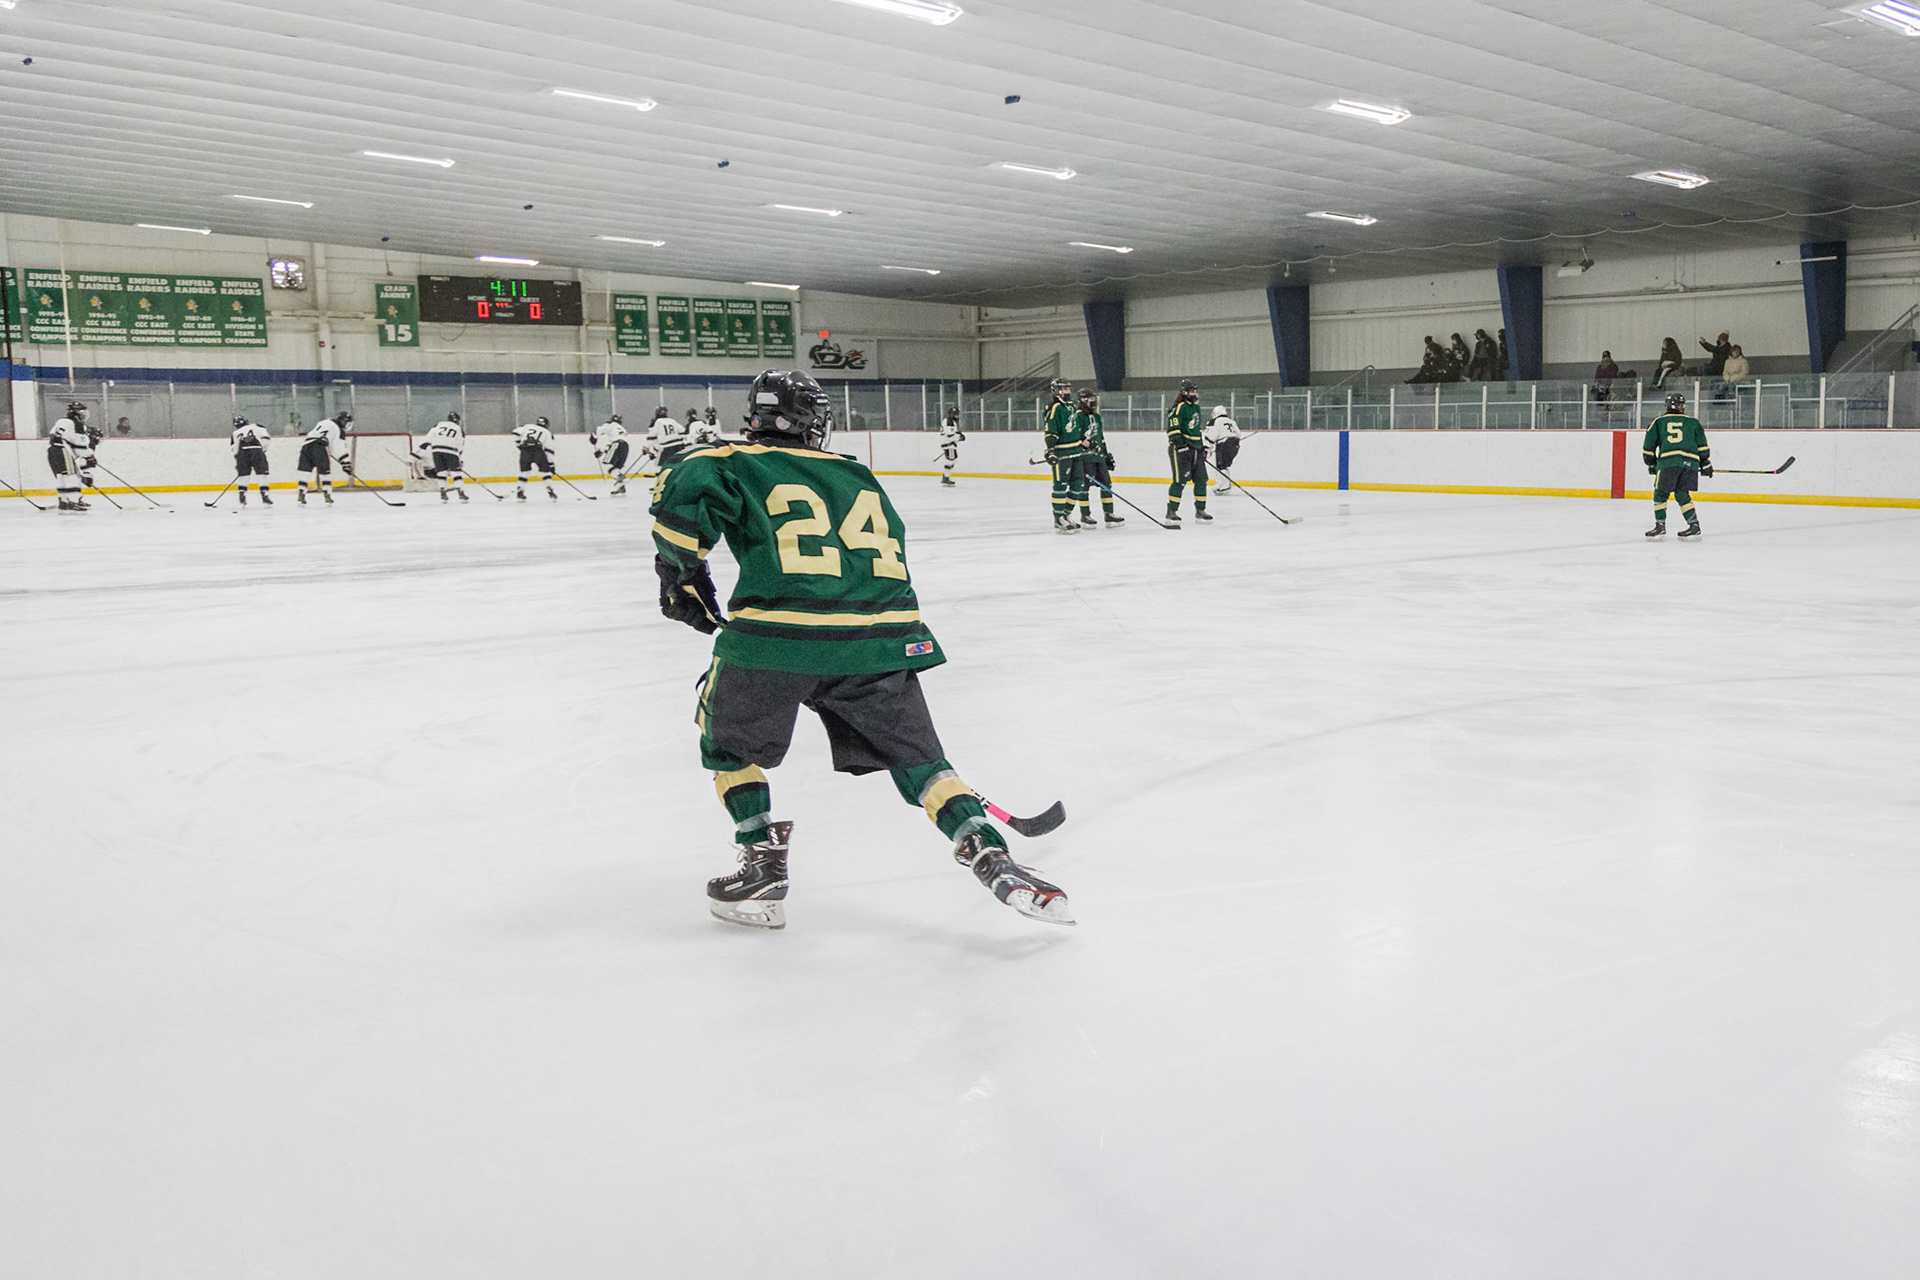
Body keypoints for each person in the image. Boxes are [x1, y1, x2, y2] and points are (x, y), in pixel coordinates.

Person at [649, 368, 1073, 930]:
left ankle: (760, 858)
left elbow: (681, 503)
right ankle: (986, 848)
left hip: (778, 638)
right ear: (812, 422)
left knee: (725, 741)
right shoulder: (856, 473)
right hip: (880, 636)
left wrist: (679, 577)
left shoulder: (727, 460)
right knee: (920, 760)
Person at [1642, 392, 1711, 539]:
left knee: (1660, 493)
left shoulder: (1658, 422)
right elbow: (1702, 446)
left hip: (1668, 462)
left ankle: (1660, 526)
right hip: (1690, 463)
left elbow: (1648, 447)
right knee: (1682, 493)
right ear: (1682, 406)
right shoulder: (1693, 422)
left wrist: (1651, 463)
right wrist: (1705, 462)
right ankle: (1694, 526)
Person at [1041, 376, 1087, 533]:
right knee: (1060, 485)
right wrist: (1050, 450)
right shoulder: (1055, 407)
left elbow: (1076, 427)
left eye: (1068, 388)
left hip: (1076, 451)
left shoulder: (1071, 406)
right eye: (1065, 388)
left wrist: (1086, 442)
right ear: (1057, 391)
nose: (1068, 391)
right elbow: (1051, 429)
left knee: (1079, 483)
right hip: (1063, 452)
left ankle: (1066, 514)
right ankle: (1058, 518)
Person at [1165, 377, 1210, 522]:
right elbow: (1173, 429)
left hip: (1196, 449)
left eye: (1196, 391)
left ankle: (1200, 510)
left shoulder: (1196, 408)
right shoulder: (1179, 407)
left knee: (1201, 480)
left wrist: (1201, 447)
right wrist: (1181, 446)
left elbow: (1195, 430)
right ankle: (1171, 510)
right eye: (1192, 391)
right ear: (1185, 392)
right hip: (1181, 449)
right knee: (1180, 480)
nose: (1195, 394)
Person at [1075, 390, 1121, 526]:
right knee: (1084, 486)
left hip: (1099, 457)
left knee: (1106, 484)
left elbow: (1101, 437)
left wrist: (1106, 455)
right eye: (1089, 399)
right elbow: (1077, 436)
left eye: (1093, 398)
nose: (1093, 401)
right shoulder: (1078, 416)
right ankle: (1085, 515)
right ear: (1083, 400)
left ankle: (1109, 514)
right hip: (1085, 457)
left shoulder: (1096, 416)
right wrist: (1089, 445)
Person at [46, 401, 96, 511]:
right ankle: (74, 501)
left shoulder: (61, 421)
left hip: (52, 450)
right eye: (82, 412)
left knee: (62, 476)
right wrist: (89, 457)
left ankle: (63, 501)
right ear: (77, 413)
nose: (84, 415)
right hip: (63, 450)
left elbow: (53, 435)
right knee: (72, 476)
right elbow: (79, 447)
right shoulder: (77, 424)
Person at [296, 410, 352, 505]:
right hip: (319, 447)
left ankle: (301, 492)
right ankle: (327, 494)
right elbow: (339, 447)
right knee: (324, 472)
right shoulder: (338, 430)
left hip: (306, 446)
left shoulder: (324, 422)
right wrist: (346, 463)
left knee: (305, 472)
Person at [416, 411, 469, 502]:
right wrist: (459, 459)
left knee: (441, 473)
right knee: (456, 473)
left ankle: (443, 493)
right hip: (451, 451)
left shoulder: (439, 424)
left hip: (436, 451)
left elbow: (429, 437)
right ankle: (461, 493)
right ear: (457, 420)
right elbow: (460, 446)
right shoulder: (459, 429)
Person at [511, 415, 559, 501]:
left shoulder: (527, 426)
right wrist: (551, 464)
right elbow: (549, 450)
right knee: (545, 472)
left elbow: (515, 432)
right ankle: (550, 490)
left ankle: (520, 492)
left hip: (525, 450)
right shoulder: (547, 432)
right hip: (538, 451)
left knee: (524, 472)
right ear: (546, 424)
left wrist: (519, 445)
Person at [229, 415, 274, 505]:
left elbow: (235, 449)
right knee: (262, 474)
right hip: (256, 449)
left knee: (243, 475)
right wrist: (262, 450)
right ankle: (265, 495)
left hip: (242, 453)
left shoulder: (235, 433)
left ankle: (242, 494)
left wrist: (238, 461)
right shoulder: (256, 426)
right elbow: (266, 438)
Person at [590, 413, 633, 495]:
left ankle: (621, 479)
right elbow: (612, 444)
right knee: (616, 468)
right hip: (625, 447)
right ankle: (621, 487)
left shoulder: (611, 425)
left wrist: (593, 438)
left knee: (609, 467)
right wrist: (602, 451)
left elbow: (597, 430)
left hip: (617, 445)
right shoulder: (623, 429)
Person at [1206, 404, 1242, 495]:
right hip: (1235, 445)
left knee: (1221, 465)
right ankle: (1224, 484)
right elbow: (1238, 434)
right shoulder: (1231, 421)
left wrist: (1207, 447)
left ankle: (1224, 486)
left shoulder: (1216, 421)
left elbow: (1212, 436)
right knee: (1224, 465)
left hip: (1223, 444)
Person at [936, 407, 965, 488]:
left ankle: (946, 476)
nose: (956, 416)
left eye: (957, 414)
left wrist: (958, 436)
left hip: (949, 444)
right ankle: (945, 478)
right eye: (954, 414)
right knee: (950, 460)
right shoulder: (949, 421)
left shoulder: (951, 421)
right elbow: (950, 435)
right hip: (948, 444)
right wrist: (959, 437)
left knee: (953, 460)